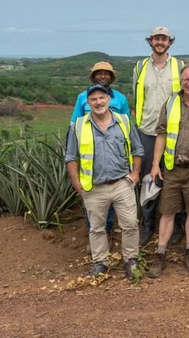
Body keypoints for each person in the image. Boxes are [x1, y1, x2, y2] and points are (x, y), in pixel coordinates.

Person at [65, 84, 144, 279]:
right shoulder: (79, 126)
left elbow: (137, 149)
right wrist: (76, 182)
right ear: (88, 103)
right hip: (94, 187)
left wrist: (134, 174)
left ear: (109, 99)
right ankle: (100, 262)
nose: (98, 102)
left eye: (102, 98)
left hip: (121, 184)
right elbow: (71, 156)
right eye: (93, 99)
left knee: (130, 224)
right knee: (97, 228)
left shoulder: (124, 121)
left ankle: (131, 260)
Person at [146, 65, 189, 278]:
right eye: (186, 79)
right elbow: (162, 134)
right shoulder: (172, 102)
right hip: (172, 169)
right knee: (167, 212)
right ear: (181, 81)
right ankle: (160, 253)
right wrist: (156, 164)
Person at [70, 61, 131, 250]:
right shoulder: (83, 98)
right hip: (92, 164)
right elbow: (74, 126)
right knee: (95, 205)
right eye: (99, 73)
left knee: (113, 203)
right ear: (93, 76)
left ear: (111, 77)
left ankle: (109, 233)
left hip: (115, 161)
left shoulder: (120, 99)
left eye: (106, 73)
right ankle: (96, 239)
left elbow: (128, 128)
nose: (103, 76)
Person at [133, 26, 184, 246]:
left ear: (169, 42)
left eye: (163, 38)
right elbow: (137, 95)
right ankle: (148, 224)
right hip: (146, 130)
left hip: (173, 132)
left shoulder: (178, 66)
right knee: (148, 180)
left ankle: (175, 225)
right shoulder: (140, 66)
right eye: (156, 38)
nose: (160, 42)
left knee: (174, 179)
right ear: (151, 41)